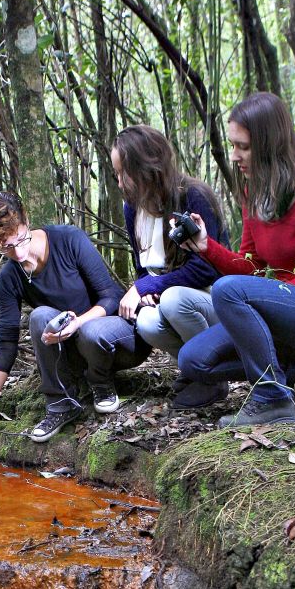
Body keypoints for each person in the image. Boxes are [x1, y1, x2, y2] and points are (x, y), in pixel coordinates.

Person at [175, 92, 295, 428]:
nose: (235, 156)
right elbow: (250, 265)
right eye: (233, 146)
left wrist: (274, 297)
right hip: (287, 309)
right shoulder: (254, 191)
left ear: (269, 143)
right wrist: (206, 247)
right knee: (193, 360)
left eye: (242, 147)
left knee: (227, 290)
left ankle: (271, 398)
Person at [0, 192, 151, 446]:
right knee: (40, 315)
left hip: (116, 341)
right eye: (7, 248)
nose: (19, 253)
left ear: (26, 222)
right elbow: (6, 344)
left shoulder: (68, 239)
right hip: (74, 353)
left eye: (21, 239)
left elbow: (111, 297)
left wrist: (79, 322)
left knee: (91, 330)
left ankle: (102, 384)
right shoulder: (10, 277)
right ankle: (60, 404)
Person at [111, 125, 230, 409]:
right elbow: (142, 266)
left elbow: (206, 270)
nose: (118, 182)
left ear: (145, 168)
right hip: (173, 302)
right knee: (146, 322)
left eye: (122, 173)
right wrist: (147, 288)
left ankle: (212, 377)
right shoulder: (132, 208)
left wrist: (146, 286)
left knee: (174, 300)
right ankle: (196, 370)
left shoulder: (193, 196)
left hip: (215, 301)